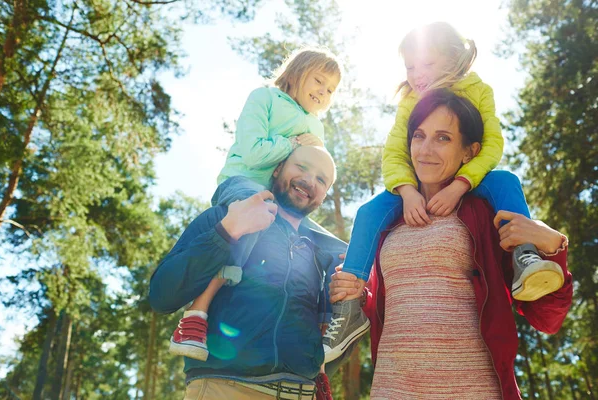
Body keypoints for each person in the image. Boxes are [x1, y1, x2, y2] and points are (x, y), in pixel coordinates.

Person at [322, 22, 564, 363]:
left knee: (507, 181)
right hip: (409, 188)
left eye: (426, 65)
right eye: (410, 67)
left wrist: (461, 185)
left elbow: (492, 143)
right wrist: (406, 192)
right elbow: (394, 152)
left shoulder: (478, 90)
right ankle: (349, 309)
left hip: (474, 176)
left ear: (452, 59)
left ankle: (524, 255)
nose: (417, 75)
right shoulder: (410, 100)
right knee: (368, 212)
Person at [329, 89, 573, 399]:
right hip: (392, 390)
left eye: (443, 138)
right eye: (419, 136)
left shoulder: (486, 212)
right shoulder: (387, 219)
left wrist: (553, 247)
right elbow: (389, 305)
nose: (426, 149)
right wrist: (357, 294)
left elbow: (547, 318)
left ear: (469, 152)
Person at [166, 46, 343, 362]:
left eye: (331, 89)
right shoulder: (265, 99)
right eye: (319, 80)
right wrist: (291, 144)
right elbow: (253, 153)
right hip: (243, 184)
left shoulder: (316, 127)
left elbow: (312, 168)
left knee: (334, 246)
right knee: (255, 216)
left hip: (279, 201)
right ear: (296, 73)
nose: (324, 92)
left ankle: (329, 326)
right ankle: (196, 312)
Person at [149, 145, 348, 400]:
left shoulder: (322, 257)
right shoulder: (226, 215)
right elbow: (162, 295)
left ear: (323, 197)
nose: (310, 180)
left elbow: (333, 338)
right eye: (302, 167)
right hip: (225, 389)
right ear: (277, 169)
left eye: (321, 179)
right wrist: (226, 231)